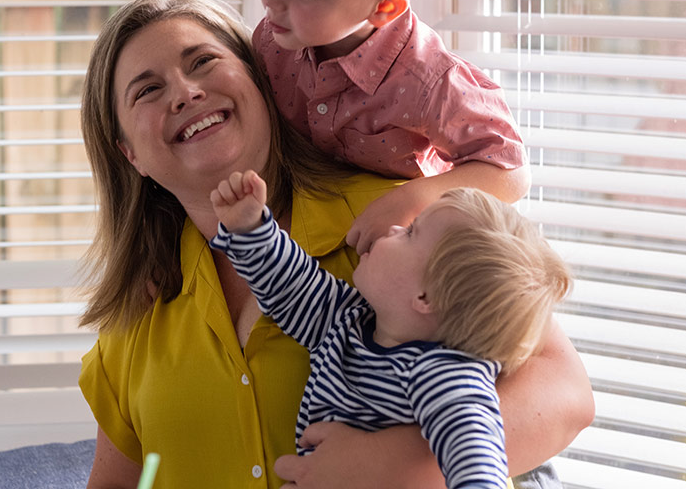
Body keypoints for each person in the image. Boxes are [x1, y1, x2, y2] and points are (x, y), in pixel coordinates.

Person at [77, 0, 594, 489]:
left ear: (260, 81)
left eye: (203, 62)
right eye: (147, 90)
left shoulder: (396, 222)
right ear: (130, 154)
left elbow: (566, 395)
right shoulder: (136, 314)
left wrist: (395, 467)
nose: (186, 93)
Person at [210, 170, 571, 489]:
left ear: (425, 295)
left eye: (411, 233)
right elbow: (293, 286)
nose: (396, 227)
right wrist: (251, 229)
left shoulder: (446, 375)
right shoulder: (348, 322)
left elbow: (477, 462)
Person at [255, 0, 531, 254]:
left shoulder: (429, 81)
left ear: (383, 7)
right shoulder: (272, 41)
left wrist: (414, 198)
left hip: (388, 253)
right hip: (300, 240)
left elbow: (511, 173)